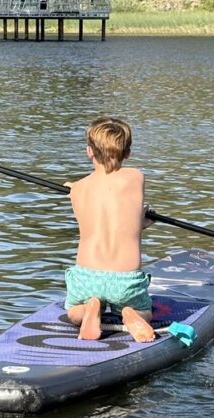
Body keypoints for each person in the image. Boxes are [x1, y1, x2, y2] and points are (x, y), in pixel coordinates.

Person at [63, 117, 157, 343]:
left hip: (87, 275)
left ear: (89, 151)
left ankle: (89, 308)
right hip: (125, 279)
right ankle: (130, 313)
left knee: (73, 312)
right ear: (128, 153)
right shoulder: (135, 177)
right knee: (146, 312)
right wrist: (141, 220)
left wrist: (74, 189)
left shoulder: (77, 190)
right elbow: (122, 222)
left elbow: (95, 223)